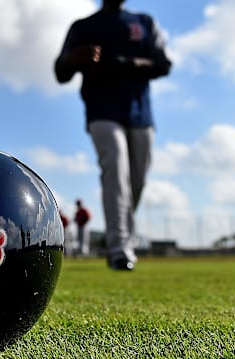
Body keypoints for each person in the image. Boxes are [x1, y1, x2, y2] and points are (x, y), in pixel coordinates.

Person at [54, 0, 171, 270]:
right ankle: (120, 248)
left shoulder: (144, 22)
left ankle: (119, 238)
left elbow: (163, 64)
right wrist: (74, 58)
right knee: (115, 170)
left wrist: (126, 63)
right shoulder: (83, 27)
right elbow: (61, 71)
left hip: (140, 114)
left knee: (137, 180)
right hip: (102, 110)